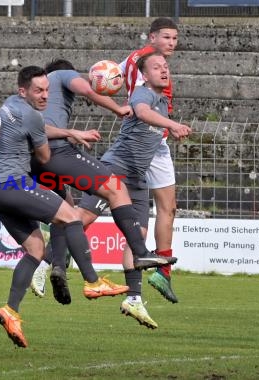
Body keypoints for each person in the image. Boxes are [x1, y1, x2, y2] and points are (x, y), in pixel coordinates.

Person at [29, 58, 177, 305]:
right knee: (105, 198)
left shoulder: (34, 105)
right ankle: (54, 266)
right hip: (94, 161)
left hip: (45, 159)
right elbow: (88, 89)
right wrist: (116, 109)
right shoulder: (62, 75)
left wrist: (71, 133)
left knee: (67, 211)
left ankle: (132, 298)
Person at [79, 52, 191, 328]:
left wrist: (169, 123)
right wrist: (173, 125)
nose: (164, 70)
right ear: (145, 75)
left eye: (166, 67)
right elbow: (140, 112)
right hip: (115, 169)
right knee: (82, 219)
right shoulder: (143, 95)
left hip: (137, 179)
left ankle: (134, 298)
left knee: (137, 238)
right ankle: (45, 262)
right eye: (157, 67)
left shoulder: (163, 102)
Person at [121, 17, 181, 303]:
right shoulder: (143, 62)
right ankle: (65, 236)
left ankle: (163, 272)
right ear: (152, 37)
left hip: (158, 144)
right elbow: (107, 79)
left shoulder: (151, 65)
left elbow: (108, 77)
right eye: (166, 37)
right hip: (137, 144)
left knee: (168, 208)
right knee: (110, 199)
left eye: (174, 39)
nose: (171, 43)